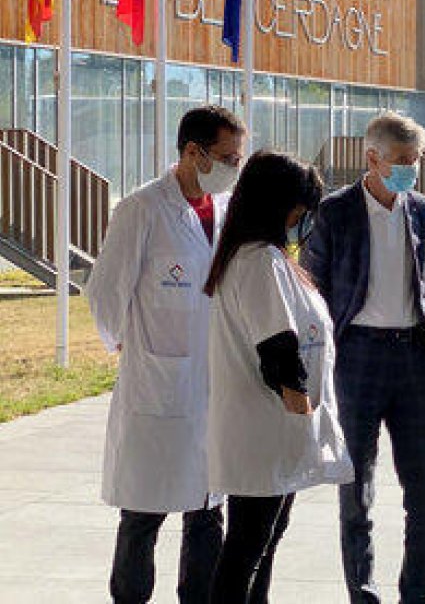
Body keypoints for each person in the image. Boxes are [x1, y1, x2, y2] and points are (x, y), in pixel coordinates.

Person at [301, 111, 425, 604]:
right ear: (371, 157)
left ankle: (418, 590)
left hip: (417, 357)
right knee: (356, 485)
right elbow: (312, 288)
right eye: (401, 160)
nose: (409, 169)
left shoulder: (419, 207)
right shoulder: (335, 212)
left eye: (415, 161)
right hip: (357, 358)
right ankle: (363, 588)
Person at [86, 105, 244, 604]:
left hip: (212, 382)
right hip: (158, 382)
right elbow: (105, 293)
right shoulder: (142, 209)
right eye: (226, 157)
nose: (233, 168)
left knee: (207, 511)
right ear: (192, 152)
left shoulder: (224, 209)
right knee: (142, 512)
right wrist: (127, 346)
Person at [204, 150, 354, 602]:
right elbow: (278, 349)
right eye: (302, 208)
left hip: (274, 434)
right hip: (263, 433)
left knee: (260, 547)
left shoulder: (268, 259)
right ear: (279, 205)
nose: (304, 218)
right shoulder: (258, 262)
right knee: (246, 550)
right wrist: (302, 410)